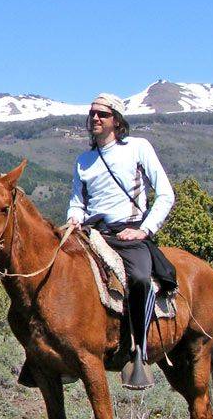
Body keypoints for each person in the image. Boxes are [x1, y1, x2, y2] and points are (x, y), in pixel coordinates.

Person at [66, 92, 176, 390]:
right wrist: (74, 217)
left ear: (117, 120)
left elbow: (166, 194)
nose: (96, 119)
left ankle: (137, 350)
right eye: (92, 114)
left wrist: (145, 230)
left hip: (129, 233)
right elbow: (78, 200)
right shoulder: (84, 160)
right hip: (92, 232)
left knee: (140, 278)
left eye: (102, 114)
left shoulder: (138, 148)